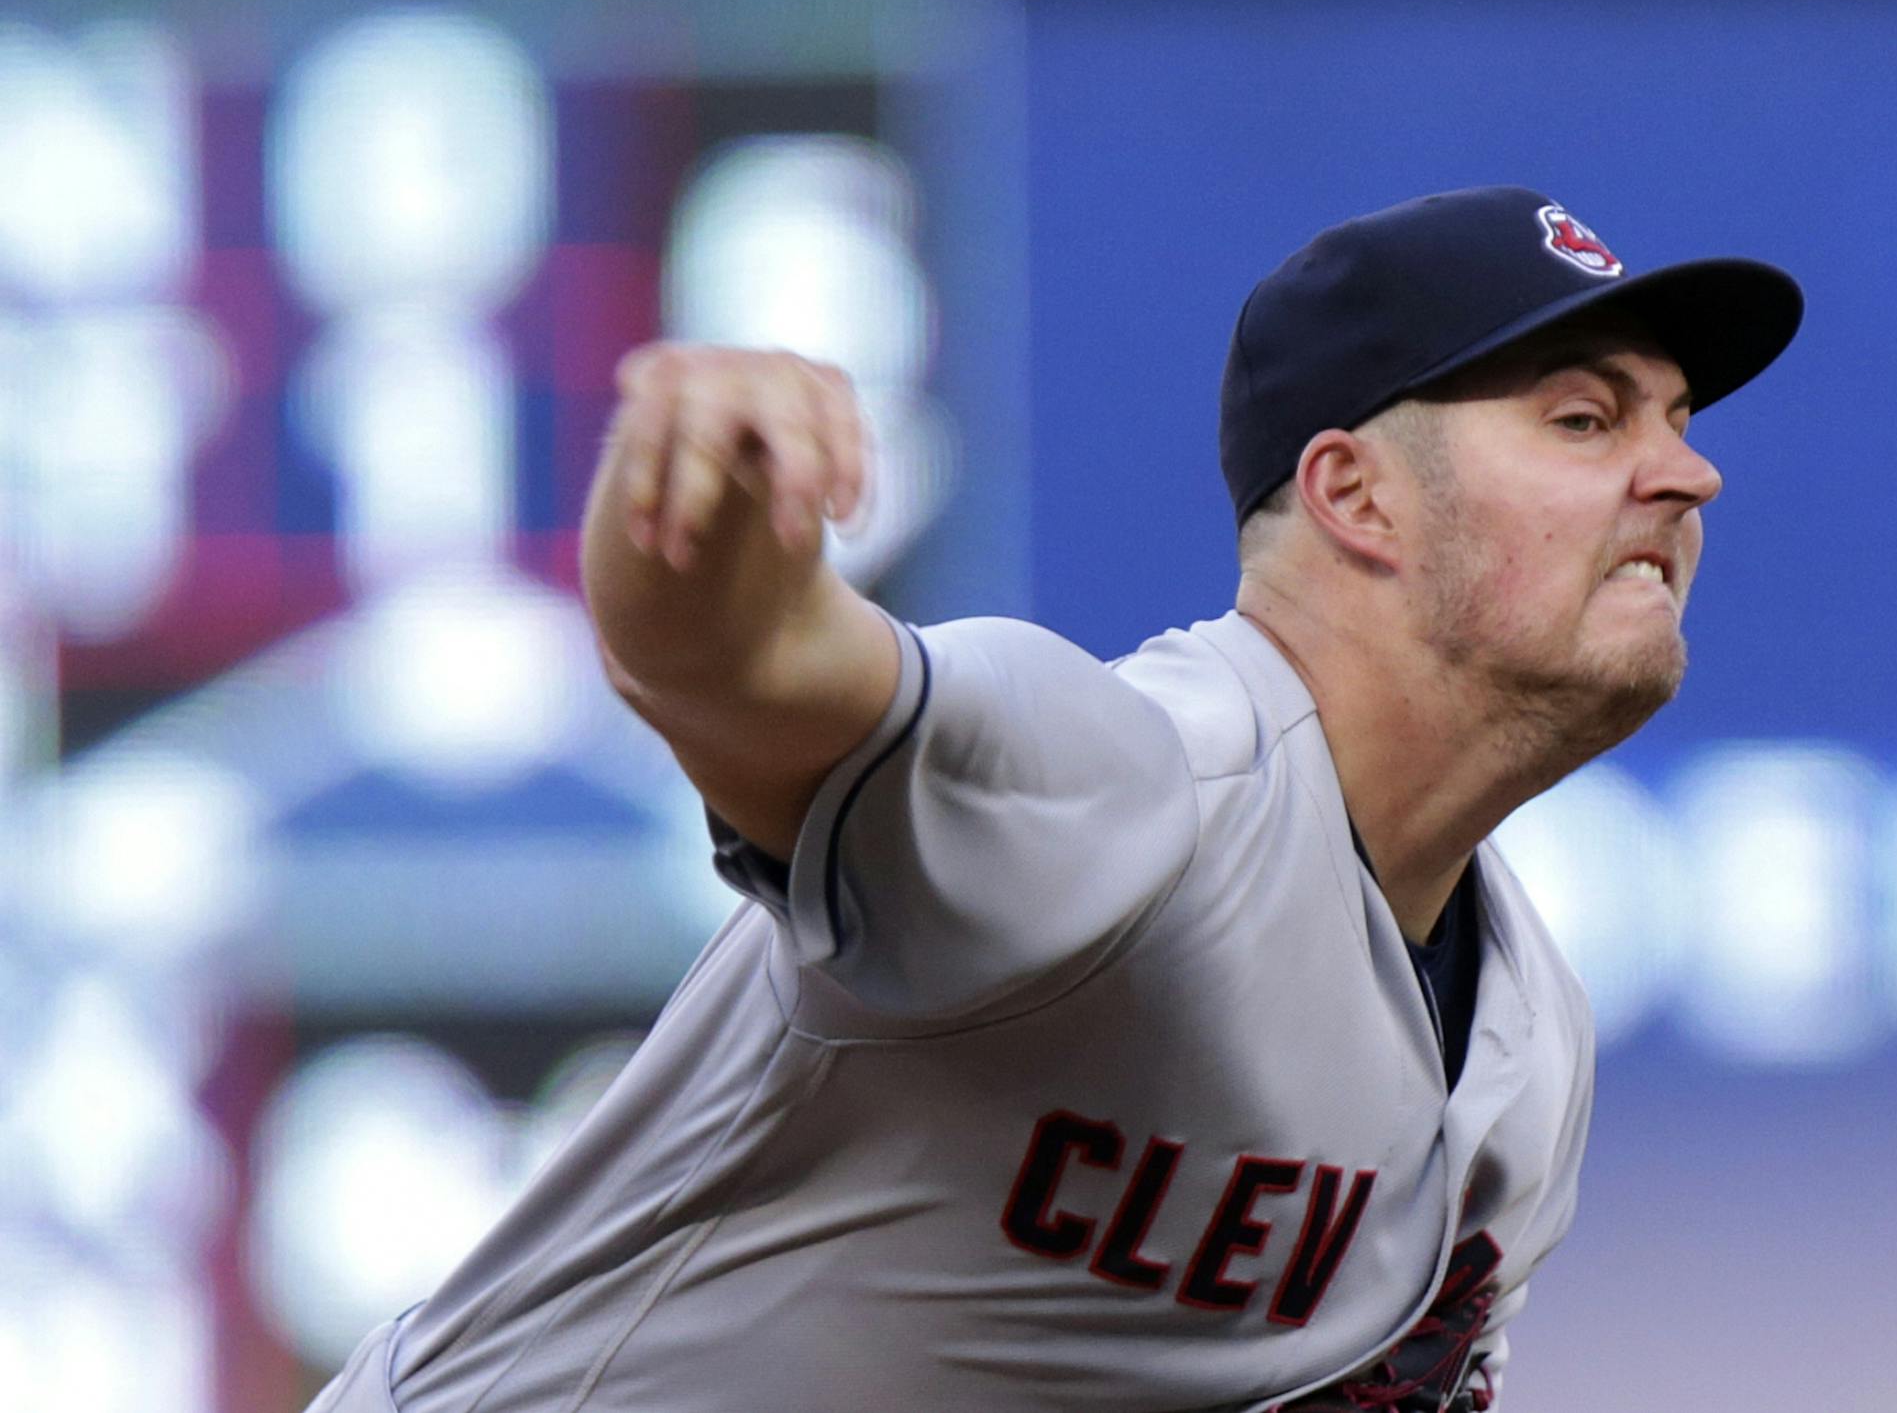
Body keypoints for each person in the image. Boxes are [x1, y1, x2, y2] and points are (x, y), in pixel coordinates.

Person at [306, 185, 1801, 1413]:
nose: (1689, 477)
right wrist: (693, 506)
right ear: (1357, 497)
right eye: (1587, 420)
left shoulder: (1528, 1055)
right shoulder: (1126, 789)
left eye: (1678, 420)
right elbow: (735, 666)